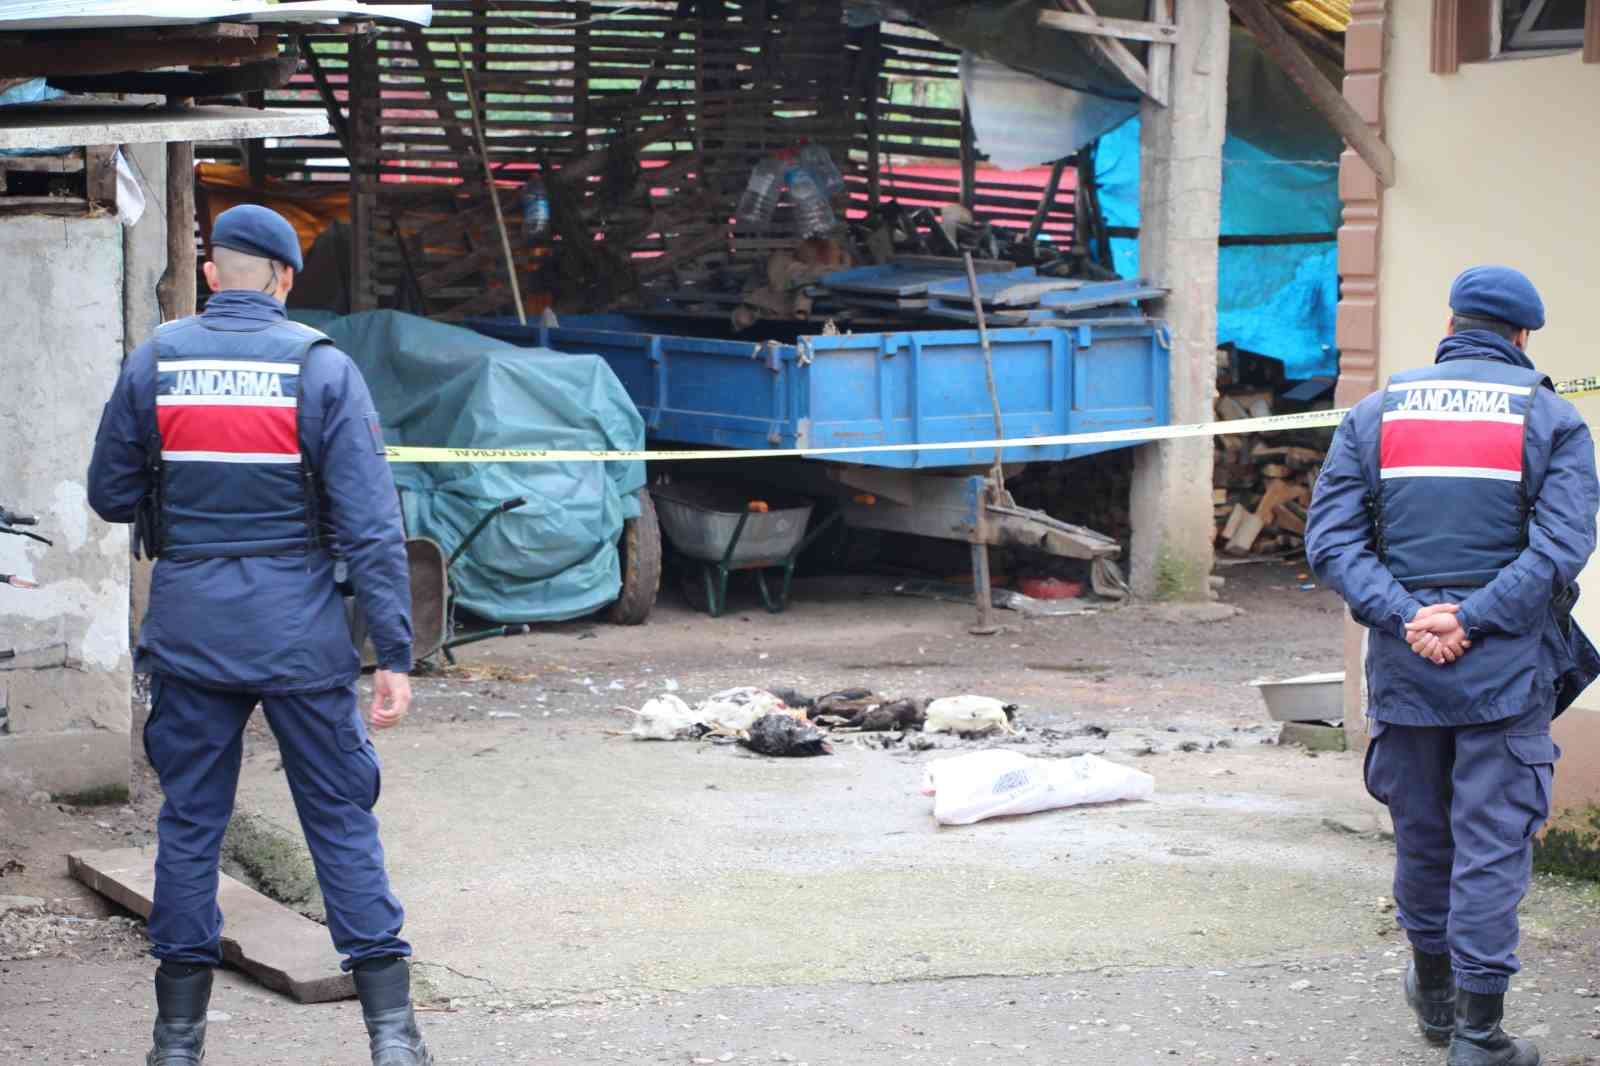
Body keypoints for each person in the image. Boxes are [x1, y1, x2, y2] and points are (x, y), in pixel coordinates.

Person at [87, 204, 432, 1066]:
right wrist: (393, 652)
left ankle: (176, 1045)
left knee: (190, 825)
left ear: (212, 275)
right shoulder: (322, 369)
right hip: (299, 637)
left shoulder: (154, 361)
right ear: (285, 279)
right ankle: (393, 1040)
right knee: (340, 821)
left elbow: (108, 493)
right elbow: (370, 528)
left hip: (192, 631)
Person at [1307, 265, 1599, 1066]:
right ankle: (1479, 1036)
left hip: (1405, 672)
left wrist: (1409, 616)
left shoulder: (1375, 414)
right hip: (1503, 678)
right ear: (1523, 337)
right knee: (1491, 847)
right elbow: (1560, 549)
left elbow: (1331, 544)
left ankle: (1433, 999)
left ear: (1450, 324)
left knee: (1423, 839)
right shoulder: (1551, 419)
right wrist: (1470, 619)